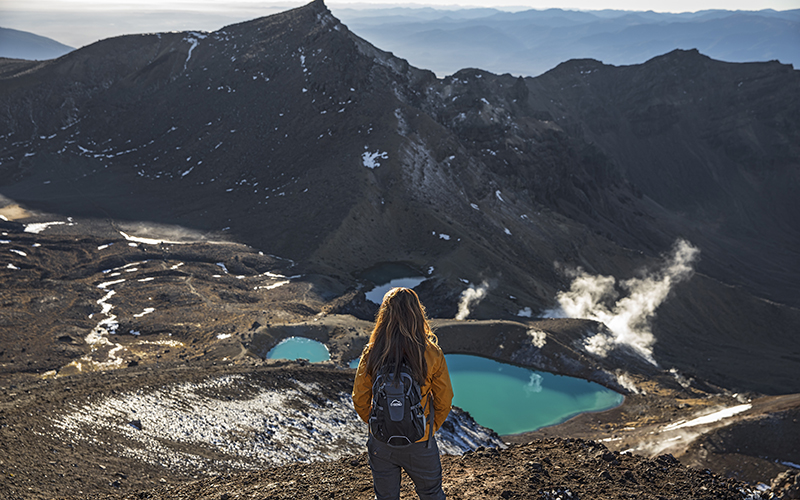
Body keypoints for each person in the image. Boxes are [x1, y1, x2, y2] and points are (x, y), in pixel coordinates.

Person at [352, 287, 454, 500]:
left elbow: (360, 399)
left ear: (384, 316)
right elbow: (444, 399)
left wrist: (379, 424)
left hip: (381, 442)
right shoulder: (431, 352)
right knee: (431, 493)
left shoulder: (372, 353)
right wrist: (427, 428)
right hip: (420, 441)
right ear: (417, 313)